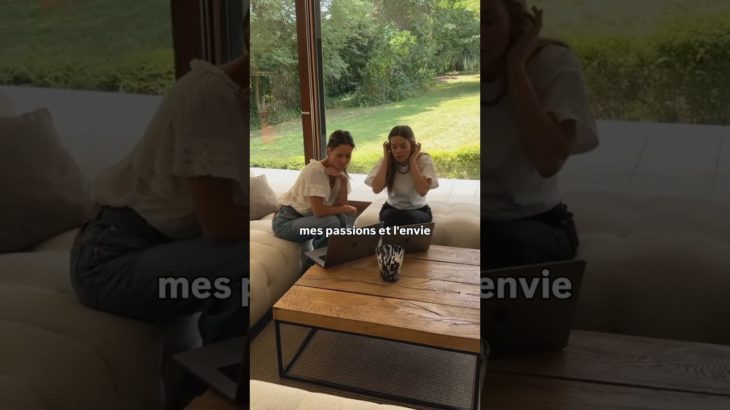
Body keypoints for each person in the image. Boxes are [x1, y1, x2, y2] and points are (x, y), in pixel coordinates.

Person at [69, 52, 249, 408]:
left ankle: (223, 386)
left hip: (147, 246)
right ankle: (208, 395)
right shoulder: (206, 94)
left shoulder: (228, 99)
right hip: (108, 262)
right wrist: (276, 217)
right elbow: (219, 224)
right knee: (243, 266)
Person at [482, 0, 599, 269]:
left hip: (536, 223)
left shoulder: (552, 63)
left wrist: (516, 68)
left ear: (512, 18)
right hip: (483, 225)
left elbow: (548, 161)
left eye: (487, 21)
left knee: (501, 245)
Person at [271, 130, 358, 250]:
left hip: (304, 218)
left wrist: (343, 180)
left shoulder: (339, 172)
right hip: (285, 222)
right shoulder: (315, 170)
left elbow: (340, 204)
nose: (344, 160)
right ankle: (318, 259)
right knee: (331, 222)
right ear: (329, 151)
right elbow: (319, 211)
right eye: (339, 155)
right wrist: (345, 209)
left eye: (348, 156)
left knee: (342, 219)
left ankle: (337, 255)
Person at [365, 125, 439, 228]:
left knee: (410, 218)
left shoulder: (423, 160)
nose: (398, 151)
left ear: (412, 145)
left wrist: (412, 162)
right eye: (394, 147)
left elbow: (422, 191)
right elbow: (376, 189)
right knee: (391, 217)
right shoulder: (386, 161)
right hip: (391, 209)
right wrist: (386, 158)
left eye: (403, 146)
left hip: (418, 210)